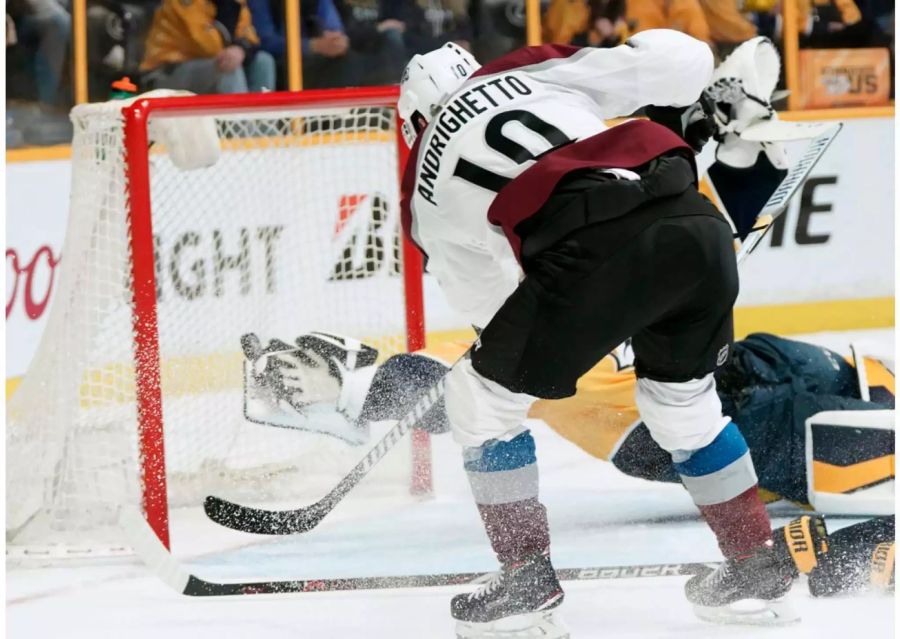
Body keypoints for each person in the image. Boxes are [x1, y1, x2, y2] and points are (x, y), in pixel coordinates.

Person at [388, 31, 805, 635]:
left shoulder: (422, 185)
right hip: (695, 222)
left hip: (589, 250)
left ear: (414, 119)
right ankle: (754, 568)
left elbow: (492, 307)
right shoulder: (525, 72)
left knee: (481, 401)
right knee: (684, 404)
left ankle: (524, 580)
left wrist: (590, 320)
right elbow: (681, 59)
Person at [244, 329, 896, 600]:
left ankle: (345, 387)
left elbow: (871, 558)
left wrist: (789, 559)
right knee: (511, 380)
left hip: (689, 420)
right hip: (708, 400)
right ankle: (348, 387)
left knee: (513, 381)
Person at [140, 0, 276, 94]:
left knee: (263, 61)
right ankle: (241, 134)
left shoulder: (234, 3)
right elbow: (207, 46)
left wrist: (241, 49)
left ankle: (264, 134)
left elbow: (250, 36)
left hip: (206, 67)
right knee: (227, 69)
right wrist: (235, 51)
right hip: (167, 72)